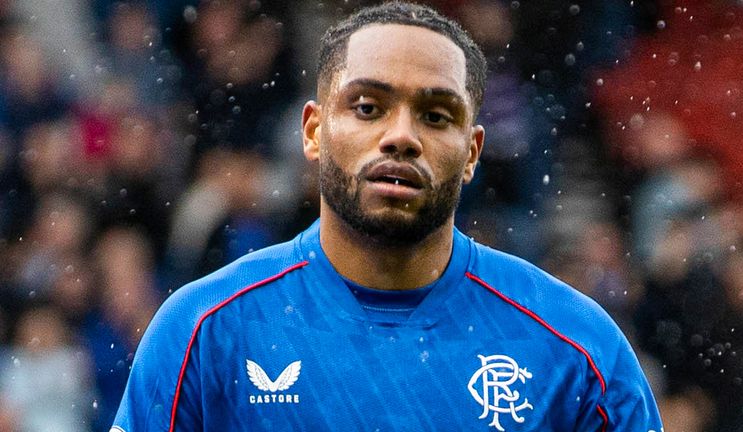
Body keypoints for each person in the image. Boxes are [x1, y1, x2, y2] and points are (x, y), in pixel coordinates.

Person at [111, 2, 662, 431]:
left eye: (436, 115)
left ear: (472, 153)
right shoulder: (203, 332)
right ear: (313, 131)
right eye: (368, 107)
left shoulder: (578, 351)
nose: (401, 137)